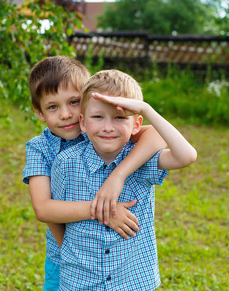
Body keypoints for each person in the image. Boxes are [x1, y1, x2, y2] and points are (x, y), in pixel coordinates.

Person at [22, 57, 167, 290]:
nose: (66, 114)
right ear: (39, 112)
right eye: (53, 107)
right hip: (66, 254)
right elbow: (44, 209)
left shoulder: (100, 130)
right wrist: (105, 212)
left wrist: (117, 176)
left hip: (118, 260)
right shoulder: (40, 148)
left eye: (74, 102)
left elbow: (158, 135)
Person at [51, 69, 197, 290]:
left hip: (132, 281)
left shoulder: (143, 160)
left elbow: (187, 156)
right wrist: (70, 255)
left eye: (119, 117)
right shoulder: (65, 162)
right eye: (98, 117)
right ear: (82, 122)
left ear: (137, 124)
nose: (108, 127)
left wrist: (147, 109)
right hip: (79, 281)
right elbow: (56, 215)